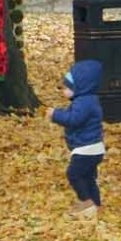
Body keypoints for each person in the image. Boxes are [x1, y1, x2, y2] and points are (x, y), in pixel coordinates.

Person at [51, 58, 107, 214]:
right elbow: (72, 115)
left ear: (80, 87)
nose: (64, 91)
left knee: (73, 174)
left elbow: (73, 120)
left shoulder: (83, 102)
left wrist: (54, 115)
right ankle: (96, 204)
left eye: (68, 87)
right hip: (93, 147)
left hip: (86, 148)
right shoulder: (87, 101)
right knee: (87, 177)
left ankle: (86, 202)